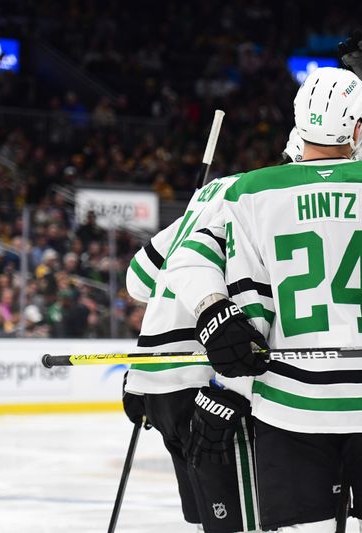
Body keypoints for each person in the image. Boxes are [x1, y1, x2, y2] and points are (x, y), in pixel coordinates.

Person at [165, 67, 362, 533]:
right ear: (358, 128)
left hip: (289, 407)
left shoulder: (247, 191)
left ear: (297, 120)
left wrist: (215, 322)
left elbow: (208, 277)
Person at [123, 170, 260, 533]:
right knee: (244, 523)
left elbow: (136, 281)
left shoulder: (193, 210)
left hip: (153, 384)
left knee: (206, 522)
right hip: (205, 382)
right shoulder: (251, 195)